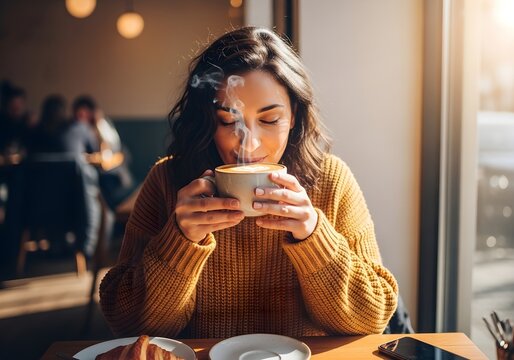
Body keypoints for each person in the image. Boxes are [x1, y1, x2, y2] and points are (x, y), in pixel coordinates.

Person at [99, 27, 398, 338]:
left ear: (294, 115)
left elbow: (371, 318)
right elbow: (125, 322)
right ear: (208, 121)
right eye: (229, 121)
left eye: (270, 120)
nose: (249, 144)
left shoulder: (330, 181)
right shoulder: (167, 181)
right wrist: (180, 239)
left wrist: (313, 236)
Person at [71, 95, 138, 212]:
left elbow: (109, 154)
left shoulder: (101, 125)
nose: (80, 118)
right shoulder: (77, 130)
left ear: (91, 112)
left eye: (82, 114)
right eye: (78, 114)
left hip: (111, 175)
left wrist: (98, 123)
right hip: (96, 176)